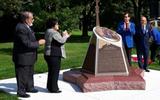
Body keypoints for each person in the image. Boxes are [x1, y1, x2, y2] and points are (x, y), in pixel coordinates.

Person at [12, 11, 45, 98]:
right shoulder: (20, 28)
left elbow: (30, 40)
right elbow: (26, 43)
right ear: (26, 19)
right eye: (32, 18)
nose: (33, 20)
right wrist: (39, 43)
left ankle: (29, 87)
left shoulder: (27, 27)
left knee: (30, 73)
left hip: (29, 56)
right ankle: (21, 91)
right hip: (23, 57)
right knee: (22, 75)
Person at [44, 18, 70, 93]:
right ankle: (54, 89)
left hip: (49, 54)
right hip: (53, 54)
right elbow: (61, 41)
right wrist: (65, 36)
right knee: (55, 72)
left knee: (51, 71)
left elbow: (56, 41)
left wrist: (62, 36)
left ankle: (50, 87)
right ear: (53, 25)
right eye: (57, 24)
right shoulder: (54, 32)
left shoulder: (48, 31)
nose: (58, 25)